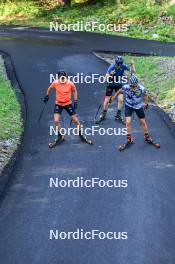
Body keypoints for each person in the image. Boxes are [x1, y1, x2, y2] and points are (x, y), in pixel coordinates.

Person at [43, 70, 92, 148]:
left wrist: (75, 101)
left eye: (63, 77)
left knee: (75, 120)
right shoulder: (55, 83)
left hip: (68, 104)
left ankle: (81, 135)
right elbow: (49, 88)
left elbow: (74, 91)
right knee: (56, 121)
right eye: (61, 77)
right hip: (58, 104)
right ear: (58, 77)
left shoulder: (70, 83)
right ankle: (60, 137)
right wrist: (47, 96)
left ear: (65, 77)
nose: (62, 79)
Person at [111, 75, 160, 150]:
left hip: (138, 106)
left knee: (143, 122)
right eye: (131, 86)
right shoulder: (126, 87)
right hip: (129, 106)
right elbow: (120, 91)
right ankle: (129, 139)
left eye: (134, 86)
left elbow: (145, 95)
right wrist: (114, 97)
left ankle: (147, 137)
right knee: (128, 122)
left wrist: (146, 103)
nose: (132, 88)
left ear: (137, 84)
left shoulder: (141, 88)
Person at [96, 55, 135, 124]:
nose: (118, 66)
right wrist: (110, 74)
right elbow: (106, 77)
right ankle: (103, 115)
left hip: (118, 85)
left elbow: (133, 71)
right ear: (115, 63)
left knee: (121, 100)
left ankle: (118, 115)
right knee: (107, 101)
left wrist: (132, 64)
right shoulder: (112, 67)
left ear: (121, 63)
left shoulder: (123, 66)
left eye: (119, 64)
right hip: (110, 85)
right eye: (117, 64)